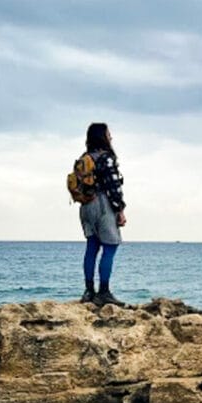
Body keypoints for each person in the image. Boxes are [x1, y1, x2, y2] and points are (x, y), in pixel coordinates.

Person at [79, 122, 127, 306]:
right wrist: (120, 209)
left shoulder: (85, 157)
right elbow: (113, 186)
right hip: (102, 204)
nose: (111, 137)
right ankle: (104, 292)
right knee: (110, 246)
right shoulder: (105, 158)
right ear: (102, 136)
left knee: (92, 247)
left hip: (85, 206)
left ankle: (89, 291)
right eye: (108, 133)